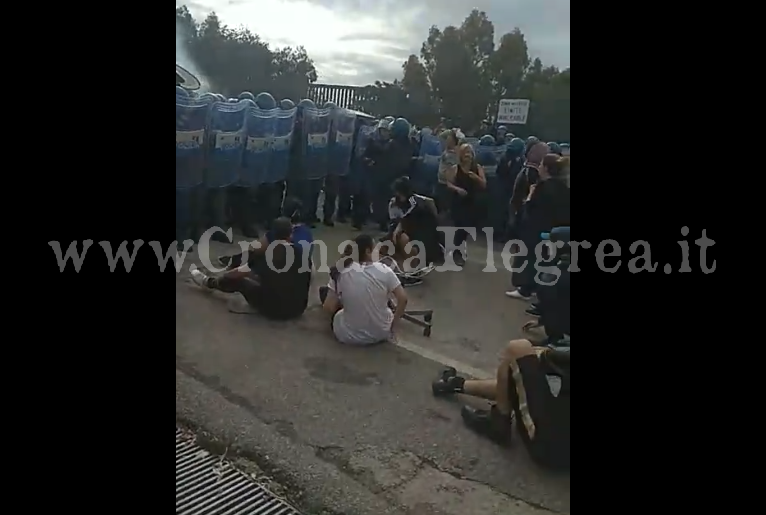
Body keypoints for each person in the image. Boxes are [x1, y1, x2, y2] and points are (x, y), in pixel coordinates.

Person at [432, 339, 570, 470]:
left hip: (550, 448)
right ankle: (455, 384)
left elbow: (551, 358)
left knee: (517, 349)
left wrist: (542, 351)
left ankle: (498, 423)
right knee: (523, 370)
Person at [190, 217, 311, 320]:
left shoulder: (269, 255)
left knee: (240, 281)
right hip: (298, 310)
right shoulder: (303, 254)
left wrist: (224, 276)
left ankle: (209, 282)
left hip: (275, 311)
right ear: (290, 235)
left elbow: (237, 274)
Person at [320, 234, 408, 345]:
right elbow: (403, 299)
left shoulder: (340, 271)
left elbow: (328, 307)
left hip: (349, 336)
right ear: (367, 251)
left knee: (335, 305)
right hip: (382, 333)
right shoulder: (385, 270)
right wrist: (393, 326)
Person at [506, 153, 570, 300]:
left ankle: (525, 289)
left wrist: (529, 196)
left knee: (529, 259)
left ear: (546, 168)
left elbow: (530, 207)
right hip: (553, 230)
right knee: (546, 260)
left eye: (541, 165)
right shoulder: (564, 187)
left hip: (535, 229)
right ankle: (537, 287)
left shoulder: (541, 187)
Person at [216, 197, 314, 270]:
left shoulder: (280, 229)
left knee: (258, 256)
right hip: (306, 271)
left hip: (286, 269)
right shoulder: (306, 231)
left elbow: (258, 248)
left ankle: (233, 262)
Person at [384, 176, 443, 271]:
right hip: (404, 227)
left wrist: (400, 227)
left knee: (406, 240)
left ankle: (413, 266)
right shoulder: (394, 203)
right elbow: (394, 220)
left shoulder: (415, 201)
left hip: (418, 228)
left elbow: (411, 215)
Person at [444, 143, 487, 266]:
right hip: (458, 202)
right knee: (460, 226)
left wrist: (475, 178)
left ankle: (458, 249)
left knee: (467, 227)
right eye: (465, 153)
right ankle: (457, 252)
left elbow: (484, 184)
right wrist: (457, 189)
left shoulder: (477, 168)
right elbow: (449, 183)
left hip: (472, 202)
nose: (468, 155)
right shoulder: (455, 168)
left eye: (470, 152)